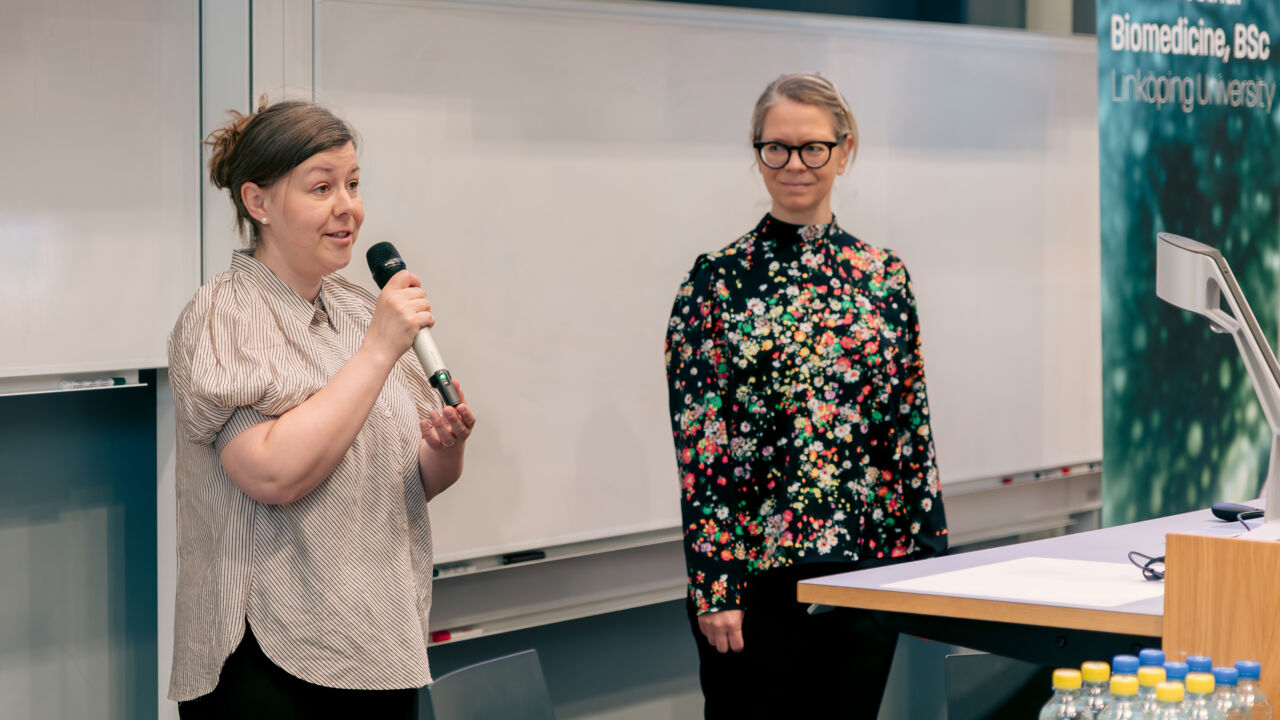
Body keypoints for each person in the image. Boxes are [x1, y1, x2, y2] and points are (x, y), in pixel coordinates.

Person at [167, 99, 476, 718]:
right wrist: (379, 351)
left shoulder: (360, 309)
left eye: (354, 185)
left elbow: (413, 482)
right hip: (276, 658)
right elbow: (272, 473)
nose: (348, 207)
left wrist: (445, 447)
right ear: (259, 203)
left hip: (379, 646)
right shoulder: (225, 313)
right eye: (322, 187)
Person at [665, 72, 948, 718]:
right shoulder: (715, 284)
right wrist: (714, 587)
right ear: (757, 153)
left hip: (867, 575)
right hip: (755, 587)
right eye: (777, 148)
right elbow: (699, 450)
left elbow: (910, 429)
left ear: (845, 152)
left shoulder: (883, 278)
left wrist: (928, 565)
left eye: (813, 147)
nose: (795, 164)